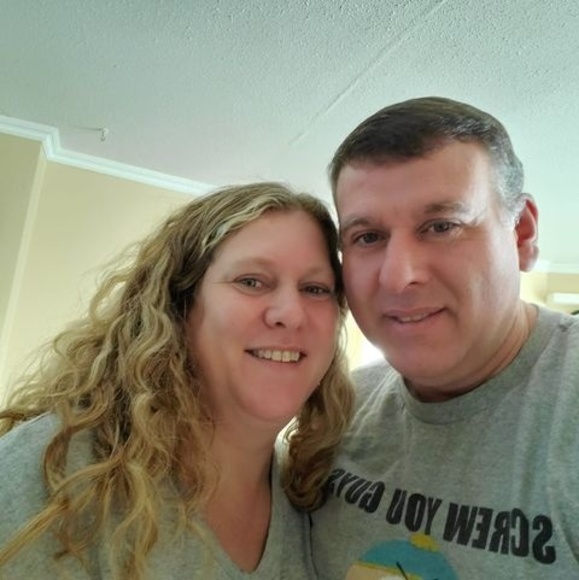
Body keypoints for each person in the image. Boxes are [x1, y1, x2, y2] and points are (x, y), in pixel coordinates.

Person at [0, 182, 354, 579]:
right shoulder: (59, 469)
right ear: (178, 306)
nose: (291, 313)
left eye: (315, 289)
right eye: (252, 281)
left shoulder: (314, 500)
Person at [310, 97, 579, 578]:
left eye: (441, 226)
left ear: (521, 233)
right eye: (368, 237)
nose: (398, 277)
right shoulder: (339, 411)